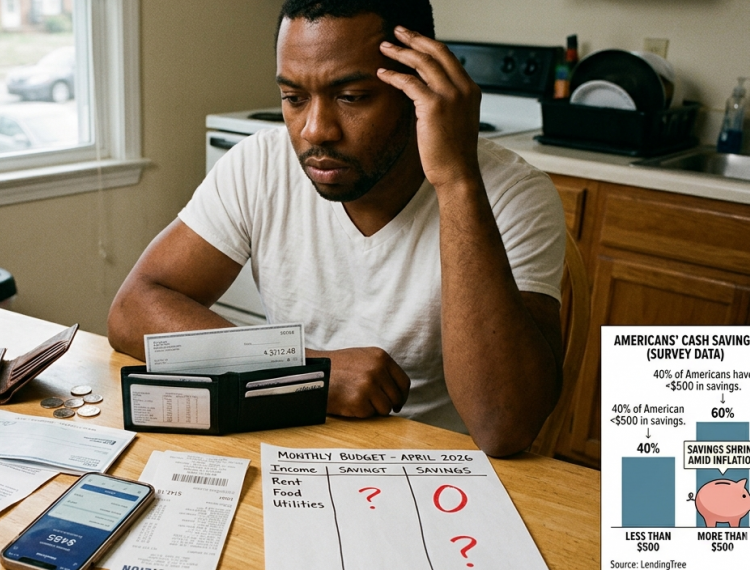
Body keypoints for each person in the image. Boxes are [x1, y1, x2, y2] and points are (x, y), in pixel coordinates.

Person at [108, 0, 566, 457]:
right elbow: (133, 310)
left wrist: (457, 179)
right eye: (293, 98)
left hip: (446, 473)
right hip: (304, 445)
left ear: (419, 87)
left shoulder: (511, 194)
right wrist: (306, 371)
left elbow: (504, 425)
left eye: (352, 98)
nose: (315, 130)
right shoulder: (259, 164)